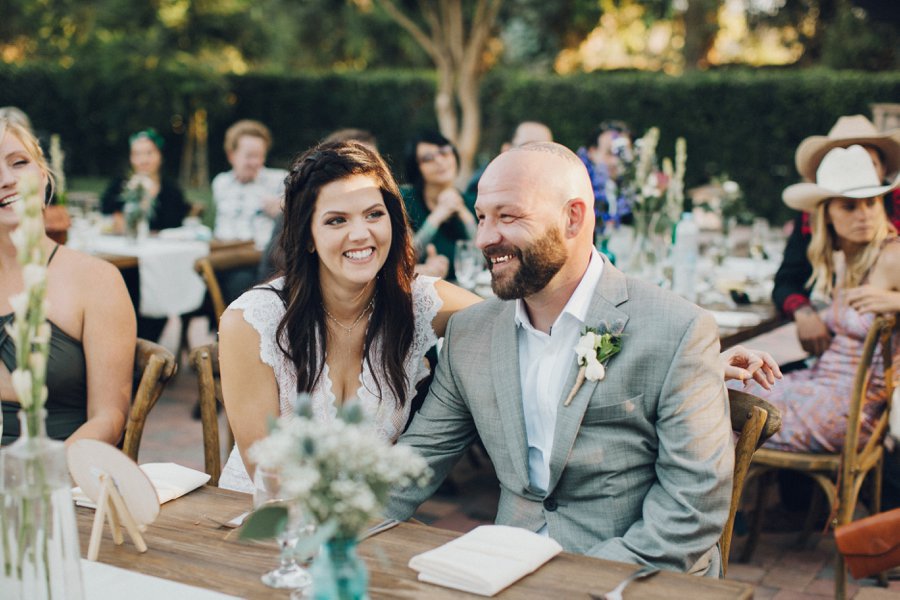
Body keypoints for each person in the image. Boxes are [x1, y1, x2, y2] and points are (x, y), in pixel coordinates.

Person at [386, 142, 734, 576]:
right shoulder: (469, 333)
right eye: (481, 217)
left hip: (636, 572)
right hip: (508, 568)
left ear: (573, 217)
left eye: (507, 216)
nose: (484, 238)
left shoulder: (677, 329)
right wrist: (334, 521)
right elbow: (418, 459)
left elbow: (693, 504)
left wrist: (579, 580)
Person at [217, 141, 480, 492]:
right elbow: (270, 478)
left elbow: (507, 319)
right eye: (336, 220)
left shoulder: (419, 302)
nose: (361, 234)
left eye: (374, 214)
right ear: (308, 236)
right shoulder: (251, 322)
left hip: (365, 523)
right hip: (263, 522)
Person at [735, 144, 900, 454]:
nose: (864, 215)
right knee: (719, 390)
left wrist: (896, 303)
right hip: (821, 387)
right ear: (827, 217)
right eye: (849, 207)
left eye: (871, 203)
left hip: (849, 412)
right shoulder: (849, 259)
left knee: (720, 409)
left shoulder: (892, 255)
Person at [0, 117, 135, 445]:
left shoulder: (97, 280)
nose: (6, 180)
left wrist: (41, 475)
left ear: (44, 176)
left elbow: (110, 418)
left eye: (19, 163)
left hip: (55, 478)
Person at [773, 115, 900, 358]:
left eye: (867, 162)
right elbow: (787, 279)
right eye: (844, 162)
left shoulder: (893, 242)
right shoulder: (813, 220)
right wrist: (803, 312)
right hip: (839, 351)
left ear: (883, 169)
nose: (855, 168)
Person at [211, 120, 287, 304]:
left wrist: (284, 208)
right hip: (224, 256)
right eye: (250, 156)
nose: (256, 162)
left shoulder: (278, 180)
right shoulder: (221, 182)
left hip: (260, 261)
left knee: (242, 281)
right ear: (232, 155)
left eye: (260, 156)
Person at [402, 131, 477, 279]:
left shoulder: (473, 202)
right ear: (416, 168)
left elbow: (484, 260)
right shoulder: (406, 201)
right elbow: (405, 258)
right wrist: (437, 216)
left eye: (444, 152)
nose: (439, 161)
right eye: (428, 158)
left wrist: (464, 214)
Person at [101, 129, 190, 232]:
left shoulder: (172, 191)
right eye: (137, 154)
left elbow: (175, 227)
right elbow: (106, 216)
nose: (143, 160)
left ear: (160, 156)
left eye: (149, 153)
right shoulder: (118, 186)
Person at [465, 121, 554, 195]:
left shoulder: (556, 187)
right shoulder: (484, 184)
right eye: (528, 147)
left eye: (546, 149)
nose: (537, 155)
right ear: (506, 149)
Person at [576, 120, 634, 228]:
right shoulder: (577, 189)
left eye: (622, 155)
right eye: (609, 153)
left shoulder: (636, 189)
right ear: (592, 152)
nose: (615, 162)